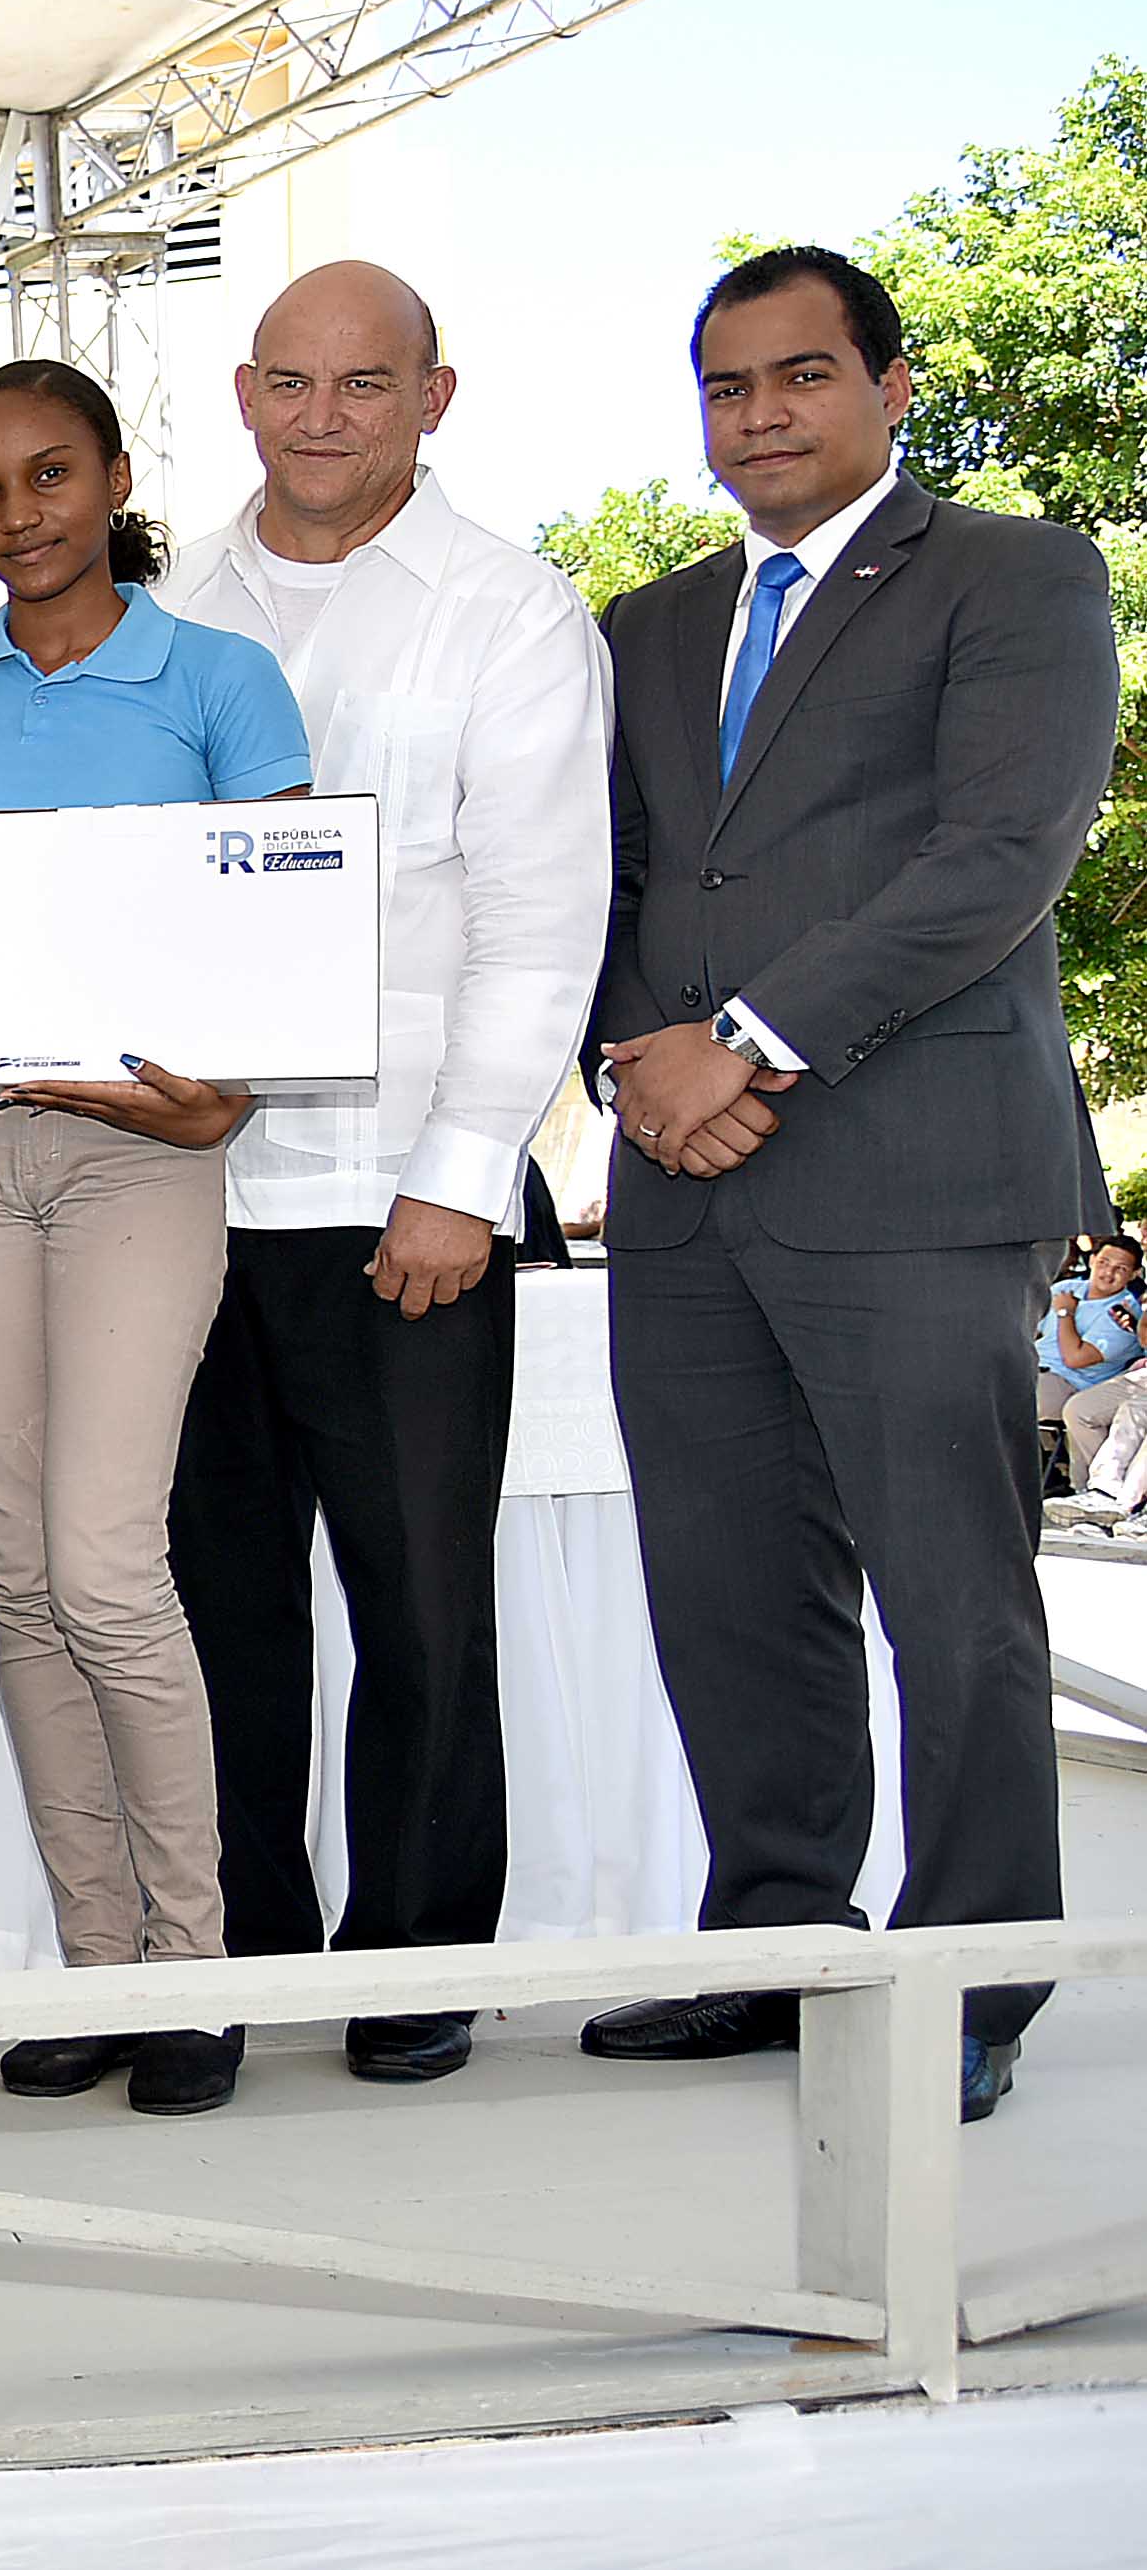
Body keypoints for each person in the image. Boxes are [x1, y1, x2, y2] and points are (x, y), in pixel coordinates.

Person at [575, 247, 1112, 2121]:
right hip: (679, 1181)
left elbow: (999, 854)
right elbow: (601, 881)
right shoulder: (645, 623)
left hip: (913, 1165)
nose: (758, 416)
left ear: (889, 386)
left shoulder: (1012, 574)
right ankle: (774, 1946)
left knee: (949, 1602)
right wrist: (637, 1059)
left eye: (799, 375)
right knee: (724, 1589)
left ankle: (969, 1982)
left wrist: (744, 1039)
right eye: (724, 387)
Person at [150, 262, 612, 2083]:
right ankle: (243, 1948)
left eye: (361, 383)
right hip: (181, 1198)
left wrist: (457, 1173)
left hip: (398, 1200)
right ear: (243, 393)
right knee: (218, 1605)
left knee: (416, 1603)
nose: (319, 416)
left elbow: (538, 919)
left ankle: (414, 1954)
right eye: (288, 381)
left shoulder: (508, 611)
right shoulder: (164, 603)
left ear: (432, 395)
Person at [0, 358, 308, 2118]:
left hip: (135, 1162)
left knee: (104, 1565)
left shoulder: (218, 677)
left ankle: (192, 1972)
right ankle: (98, 1962)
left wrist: (219, 1095)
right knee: (17, 1577)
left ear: (112, 476)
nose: (15, 514)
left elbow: (279, 920)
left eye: (47, 475)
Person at [1062, 1239, 1147, 1514]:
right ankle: (1097, 1493)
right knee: (1079, 1410)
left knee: (1135, 1411)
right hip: (1141, 1375)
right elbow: (1144, 1338)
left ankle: (1123, 1502)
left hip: (1077, 1373)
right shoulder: (1067, 1289)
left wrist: (1065, 1314)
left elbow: (1076, 1358)